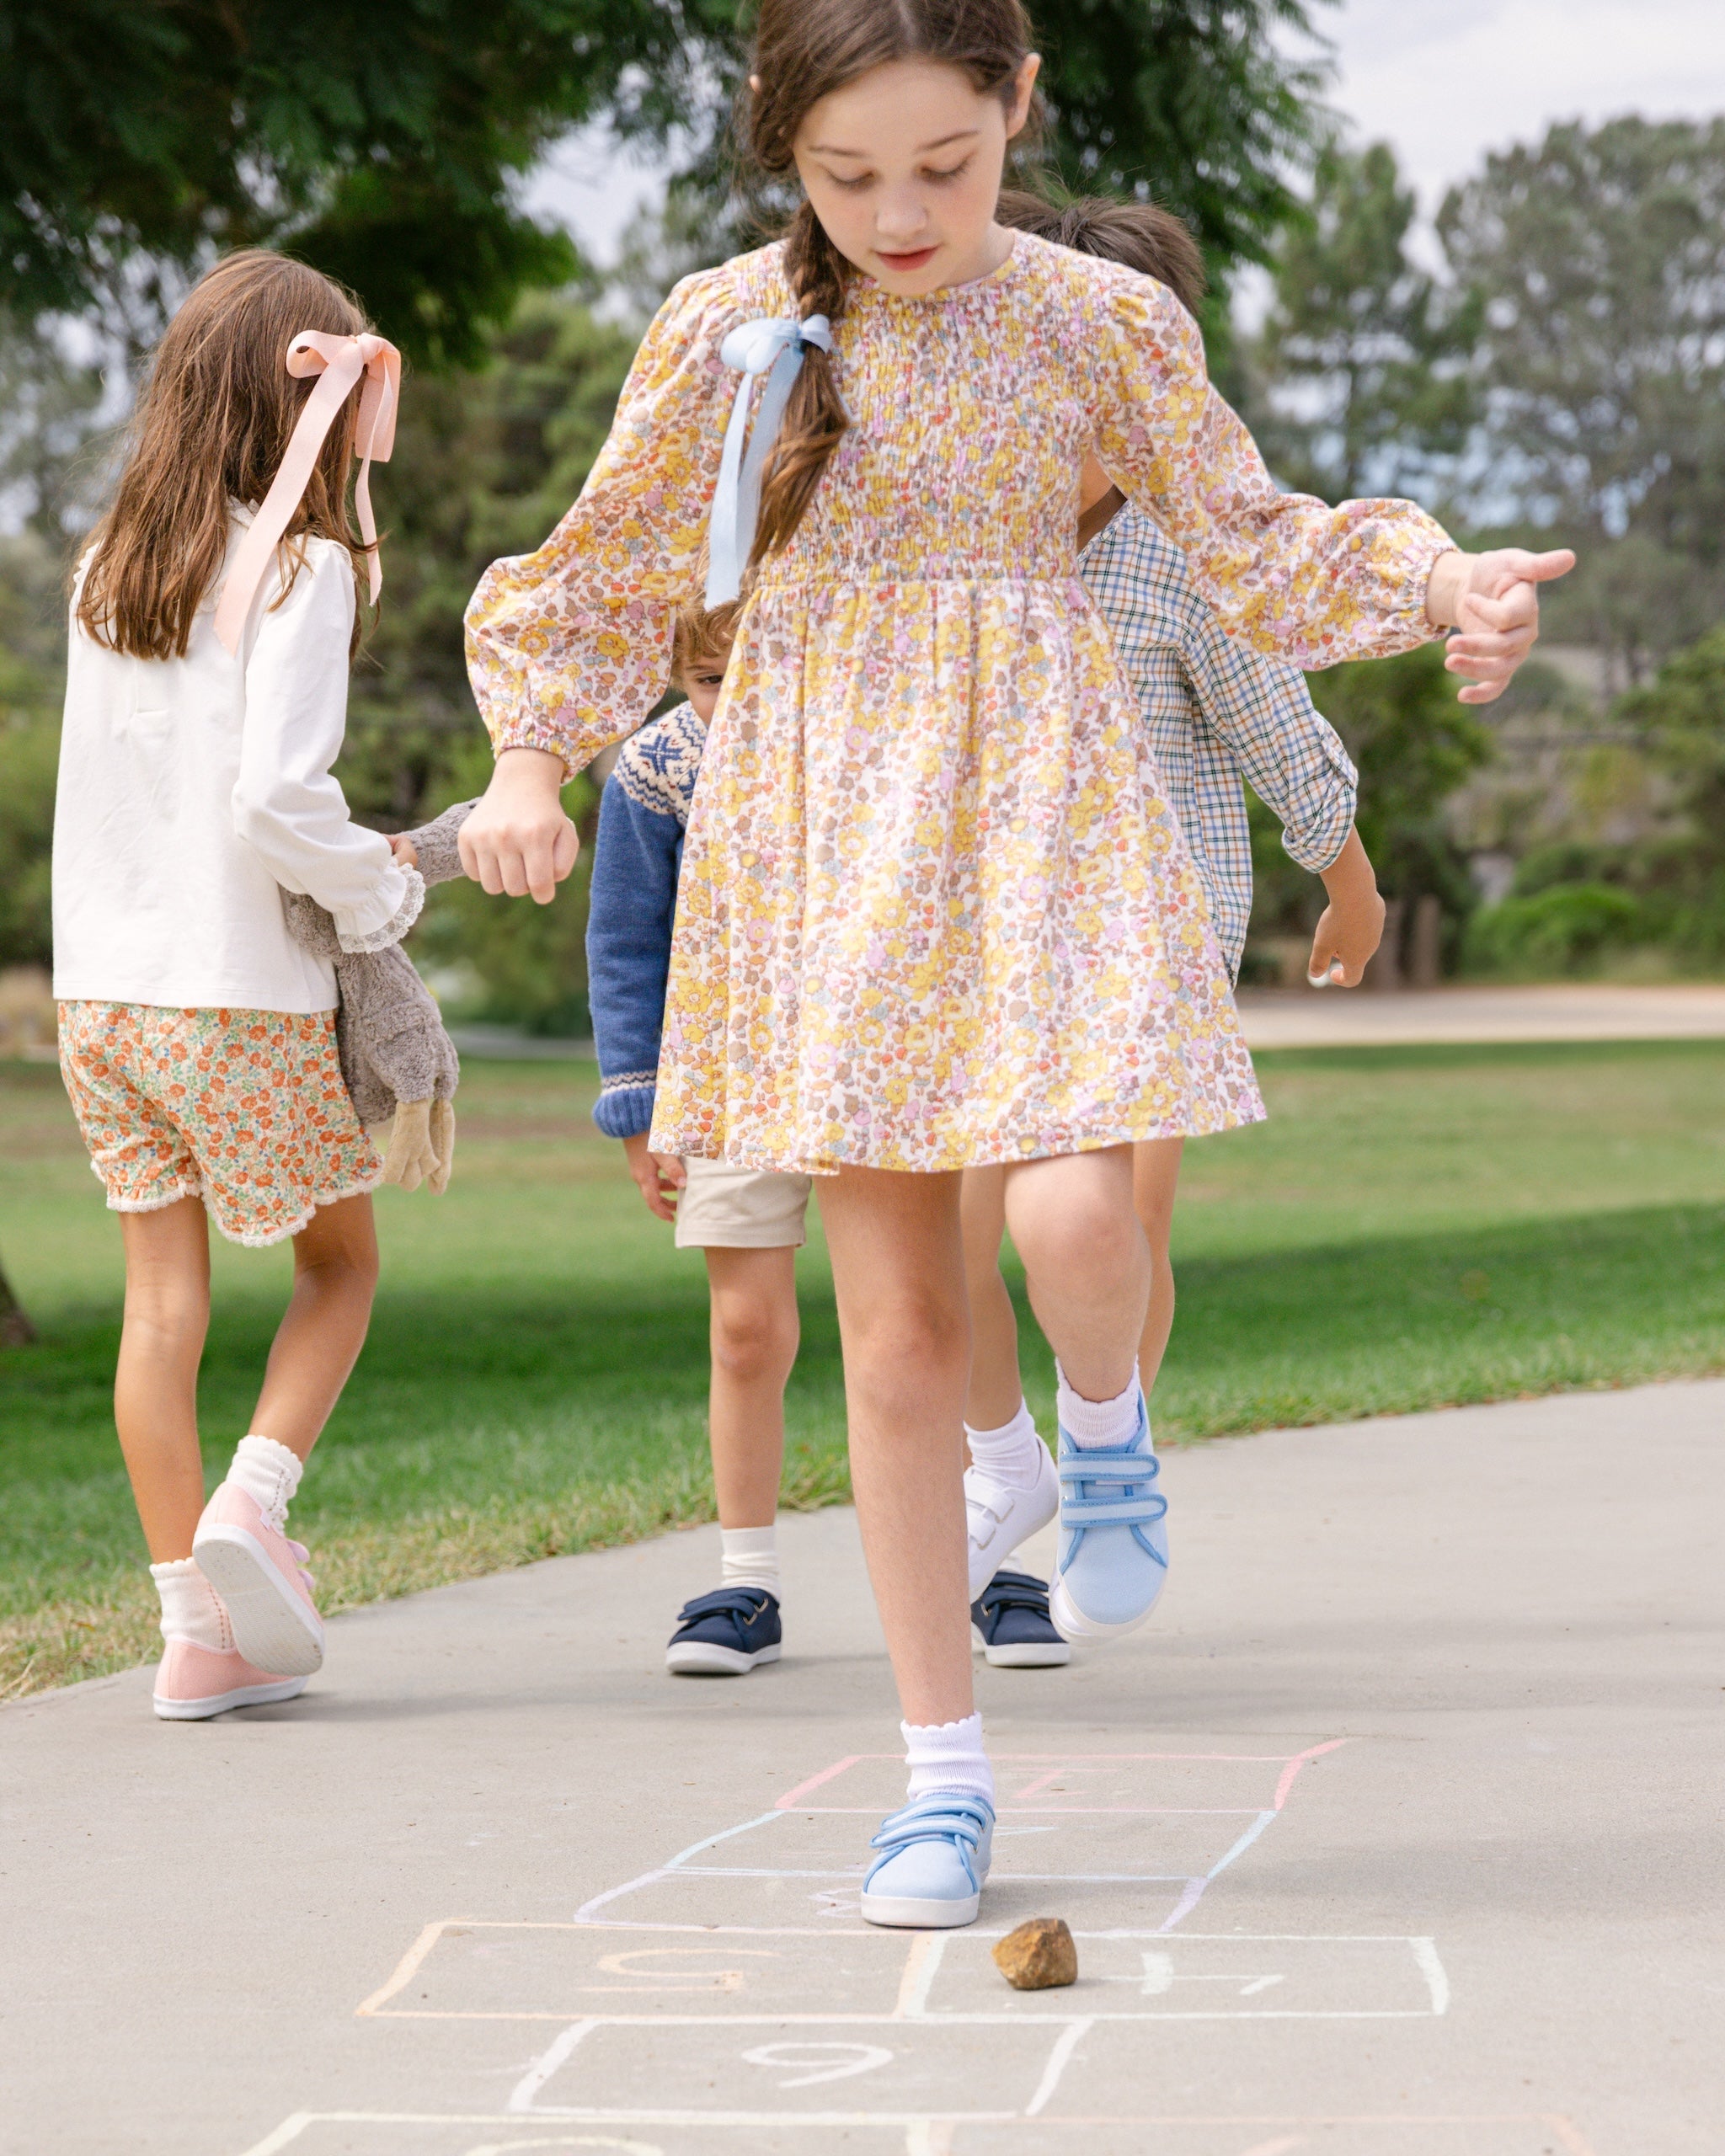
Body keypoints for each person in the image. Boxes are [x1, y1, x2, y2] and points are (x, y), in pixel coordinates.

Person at [459, 0, 1573, 1929]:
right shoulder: (722, 333)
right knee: (890, 1331)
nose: (898, 212)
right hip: (823, 825)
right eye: (848, 175)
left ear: (1014, 110)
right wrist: (524, 765)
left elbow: (1253, 543)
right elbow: (605, 572)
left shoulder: (1096, 318)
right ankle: (939, 1779)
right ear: (783, 152)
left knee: (1068, 1190)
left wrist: (1441, 579)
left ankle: (1106, 1430)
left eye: (943, 167)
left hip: (1050, 800)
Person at [958, 189, 1390, 1619]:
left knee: (1114, 1227)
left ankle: (1102, 1476)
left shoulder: (1177, 549)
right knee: (973, 1229)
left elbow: (1275, 721)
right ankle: (1013, 1456)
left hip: (1154, 934)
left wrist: (1346, 877)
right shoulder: (966, 540)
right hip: (993, 939)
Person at [52, 251, 418, 1721]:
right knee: (341, 1269)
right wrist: (379, 887)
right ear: (306, 398)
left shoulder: (106, 565)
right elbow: (275, 799)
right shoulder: (305, 566)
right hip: (236, 995)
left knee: (161, 1310)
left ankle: (193, 1637)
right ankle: (252, 1505)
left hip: (101, 1003)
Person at [587, 597, 804, 1678]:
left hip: (884, 1072)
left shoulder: (864, 732)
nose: (737, 701)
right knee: (743, 1330)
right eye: (713, 680)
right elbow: (625, 943)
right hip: (726, 1080)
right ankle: (744, 1578)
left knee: (922, 1319)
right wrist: (639, 1111)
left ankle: (989, 1563)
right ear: (679, 674)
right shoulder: (655, 769)